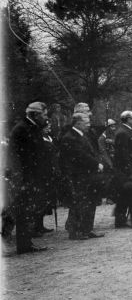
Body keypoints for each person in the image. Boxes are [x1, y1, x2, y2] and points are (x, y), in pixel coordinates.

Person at [6, 101, 49, 253]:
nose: (46, 118)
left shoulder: (32, 128)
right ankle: (23, 245)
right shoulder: (22, 129)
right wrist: (22, 180)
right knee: (23, 211)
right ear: (35, 115)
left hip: (31, 177)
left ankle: (26, 243)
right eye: (44, 115)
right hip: (24, 178)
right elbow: (17, 157)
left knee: (28, 211)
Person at [59, 112, 105, 240]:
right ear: (78, 123)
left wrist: (97, 162)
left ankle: (87, 229)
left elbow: (90, 152)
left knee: (90, 202)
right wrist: (96, 163)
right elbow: (80, 156)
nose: (88, 125)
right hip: (78, 176)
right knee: (79, 203)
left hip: (87, 175)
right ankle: (76, 231)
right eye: (86, 122)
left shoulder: (83, 135)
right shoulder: (70, 137)